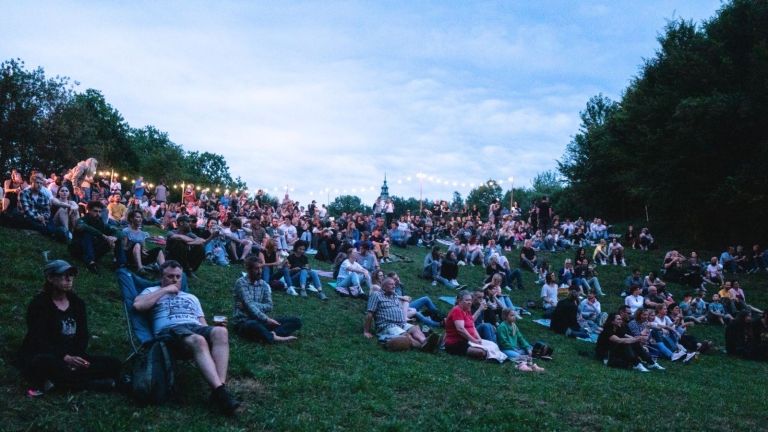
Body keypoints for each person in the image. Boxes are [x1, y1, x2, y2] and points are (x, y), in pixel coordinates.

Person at [133, 261, 241, 415]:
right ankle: (221, 393)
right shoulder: (152, 290)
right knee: (198, 340)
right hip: (170, 330)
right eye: (170, 276)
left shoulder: (191, 297)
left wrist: (214, 330)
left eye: (178, 276)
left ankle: (219, 389)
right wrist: (165, 290)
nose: (175, 280)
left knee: (221, 332)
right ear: (161, 277)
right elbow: (138, 306)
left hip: (193, 326)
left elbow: (202, 322)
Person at [17, 260, 121, 396]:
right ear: (50, 278)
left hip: (72, 354)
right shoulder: (39, 305)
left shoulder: (77, 304)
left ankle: (61, 382)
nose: (69, 279)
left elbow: (82, 335)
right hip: (47, 354)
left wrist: (76, 357)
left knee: (114, 364)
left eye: (71, 275)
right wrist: (65, 358)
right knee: (43, 363)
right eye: (63, 275)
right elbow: (38, 340)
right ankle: (87, 384)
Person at [232, 256, 301, 343]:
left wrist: (248, 305)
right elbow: (249, 304)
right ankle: (273, 337)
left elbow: (269, 306)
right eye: (256, 269)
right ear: (249, 270)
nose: (260, 271)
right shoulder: (241, 283)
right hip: (243, 321)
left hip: (261, 320)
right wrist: (266, 319)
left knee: (296, 321)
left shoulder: (264, 284)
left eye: (261, 268)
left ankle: (272, 334)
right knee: (251, 324)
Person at [363, 277, 440, 352]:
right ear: (384, 286)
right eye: (391, 284)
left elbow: (405, 301)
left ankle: (424, 341)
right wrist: (366, 331)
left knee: (415, 328)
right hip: (387, 325)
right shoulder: (376, 295)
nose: (394, 286)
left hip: (401, 323)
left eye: (394, 284)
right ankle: (423, 347)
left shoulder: (394, 295)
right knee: (406, 335)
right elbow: (370, 314)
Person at [69, 201, 125, 274]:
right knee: (87, 234)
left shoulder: (100, 223)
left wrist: (114, 237)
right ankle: (90, 262)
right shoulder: (82, 220)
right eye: (95, 211)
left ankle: (120, 264)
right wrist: (103, 235)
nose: (98, 214)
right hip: (79, 250)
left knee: (117, 238)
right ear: (89, 211)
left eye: (99, 212)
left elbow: (119, 232)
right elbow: (85, 227)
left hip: (94, 250)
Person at [595, 313, 662, 372]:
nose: (621, 321)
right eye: (618, 319)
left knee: (633, 343)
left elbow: (629, 337)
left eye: (620, 319)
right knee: (626, 343)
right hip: (606, 354)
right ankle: (637, 364)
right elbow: (619, 340)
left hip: (615, 351)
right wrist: (637, 339)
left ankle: (650, 363)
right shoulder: (607, 330)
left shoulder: (618, 328)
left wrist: (639, 338)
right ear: (612, 321)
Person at [495, 308, 544, 372]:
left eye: (514, 315)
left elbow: (520, 338)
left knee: (530, 350)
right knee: (517, 355)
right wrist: (513, 348)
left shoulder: (514, 325)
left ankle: (532, 365)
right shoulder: (502, 327)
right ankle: (525, 366)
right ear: (505, 317)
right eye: (511, 315)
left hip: (516, 348)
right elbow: (503, 342)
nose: (514, 317)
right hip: (506, 349)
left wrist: (527, 348)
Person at [443, 291, 487, 359]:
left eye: (470, 300)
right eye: (467, 300)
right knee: (481, 352)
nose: (469, 302)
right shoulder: (457, 310)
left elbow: (472, 325)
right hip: (455, 343)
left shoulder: (467, 310)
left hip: (467, 341)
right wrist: (474, 340)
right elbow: (460, 329)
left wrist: (479, 338)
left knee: (493, 346)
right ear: (459, 301)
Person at [122, 210, 165, 275]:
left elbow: (144, 248)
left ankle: (164, 270)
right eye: (137, 217)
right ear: (131, 219)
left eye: (141, 217)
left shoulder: (142, 233)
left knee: (158, 250)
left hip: (141, 256)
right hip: (130, 257)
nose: (140, 219)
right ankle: (140, 269)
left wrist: (144, 251)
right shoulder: (126, 231)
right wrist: (132, 244)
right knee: (137, 244)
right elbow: (124, 248)